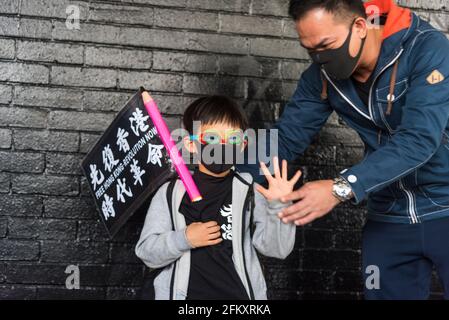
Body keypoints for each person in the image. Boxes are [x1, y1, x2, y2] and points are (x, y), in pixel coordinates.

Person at [240, 0, 449, 299]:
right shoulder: (320, 77)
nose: (321, 58)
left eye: (327, 45)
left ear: (360, 26)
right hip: (389, 216)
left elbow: (419, 139)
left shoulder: (427, 49)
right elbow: (285, 138)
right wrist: (225, 178)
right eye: (310, 50)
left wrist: (341, 187)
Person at [135, 95, 302, 300]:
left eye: (233, 139)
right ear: (190, 144)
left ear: (242, 145)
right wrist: (185, 238)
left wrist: (279, 206)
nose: (223, 146)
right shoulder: (171, 194)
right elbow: (147, 253)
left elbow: (277, 250)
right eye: (212, 138)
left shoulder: (250, 191)